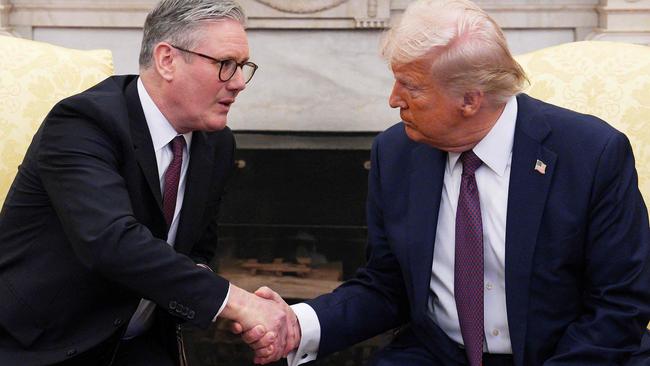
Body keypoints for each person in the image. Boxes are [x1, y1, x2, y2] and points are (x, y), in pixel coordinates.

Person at [239, 0, 650, 365]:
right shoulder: (396, 152)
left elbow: (618, 305)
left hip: (566, 352)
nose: (393, 98)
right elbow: (387, 284)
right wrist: (299, 324)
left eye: (411, 86)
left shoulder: (591, 153)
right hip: (437, 351)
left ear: (470, 100)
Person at [0, 0, 297, 365]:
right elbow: (111, 241)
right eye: (225, 65)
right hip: (45, 345)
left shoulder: (217, 144)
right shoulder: (82, 123)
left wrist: (218, 293)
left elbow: (197, 251)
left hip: (140, 344)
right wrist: (236, 301)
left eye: (243, 67)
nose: (238, 83)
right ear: (167, 59)